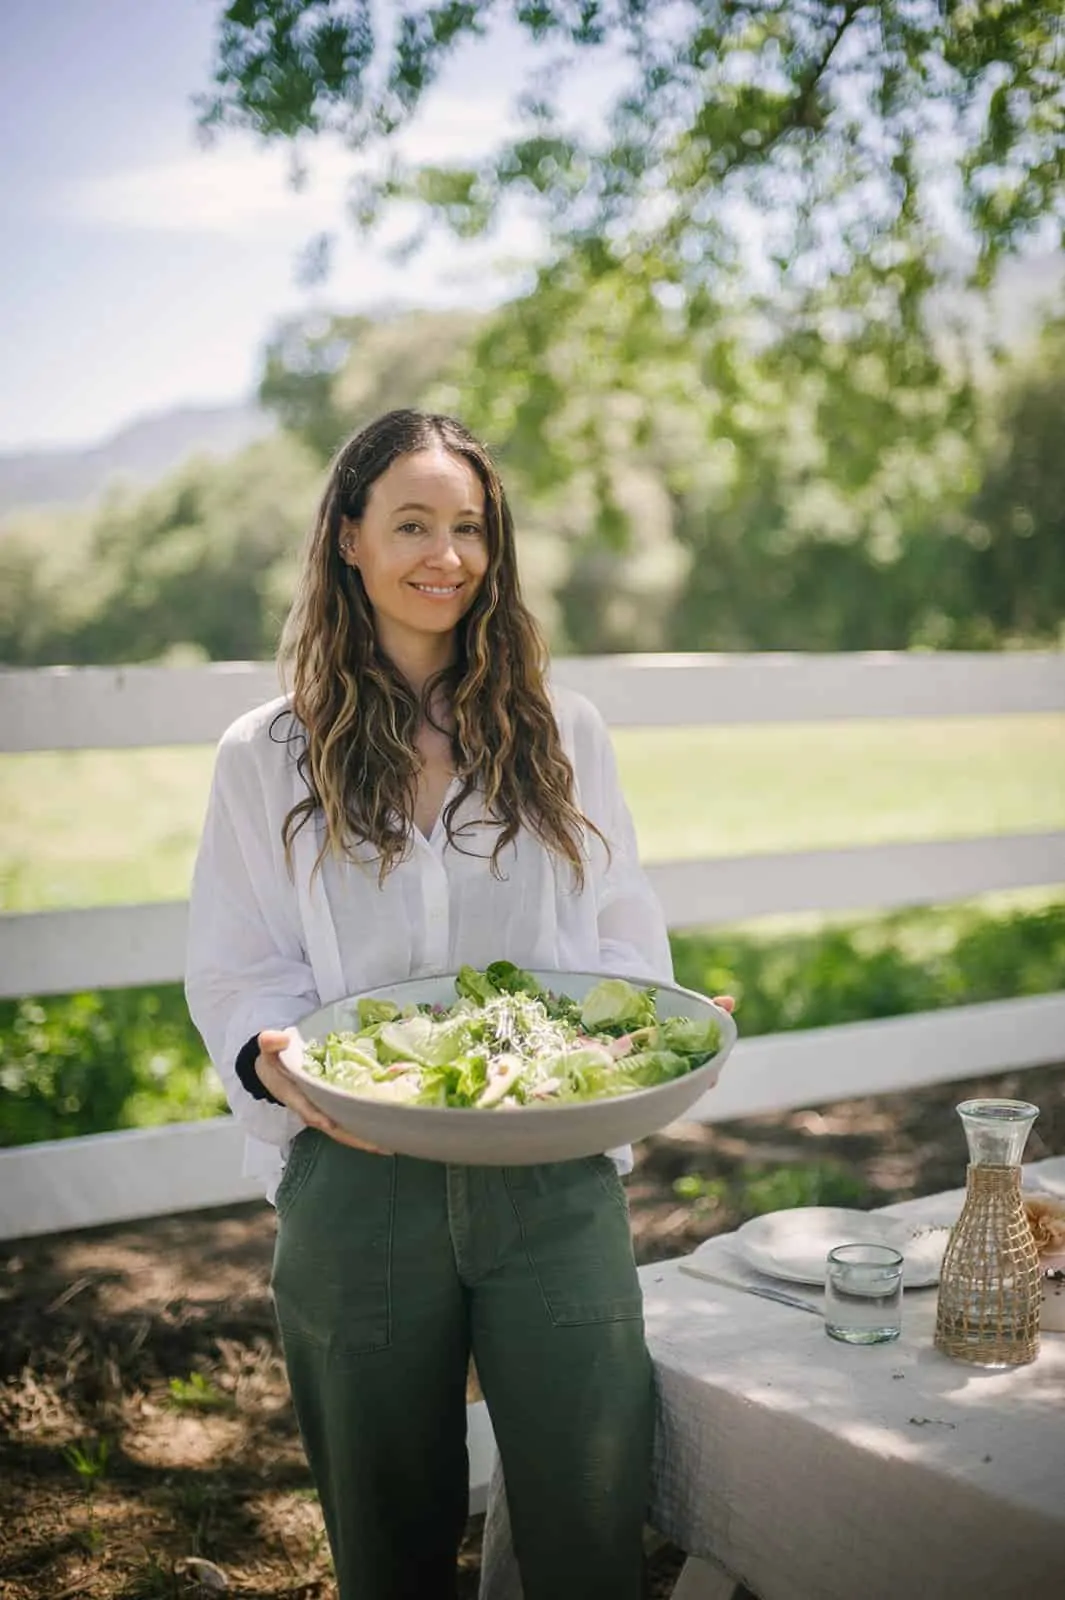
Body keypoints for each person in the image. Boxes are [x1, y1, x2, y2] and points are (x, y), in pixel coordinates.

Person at [185, 409, 733, 1600]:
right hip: (354, 1174)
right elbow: (236, 963)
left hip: (551, 1169)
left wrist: (654, 1022)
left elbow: (620, 926)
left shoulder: (561, 729)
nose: (447, 555)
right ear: (346, 539)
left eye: (470, 527)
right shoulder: (266, 754)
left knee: (590, 1527)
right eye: (413, 524)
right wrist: (272, 1057)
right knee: (389, 1547)